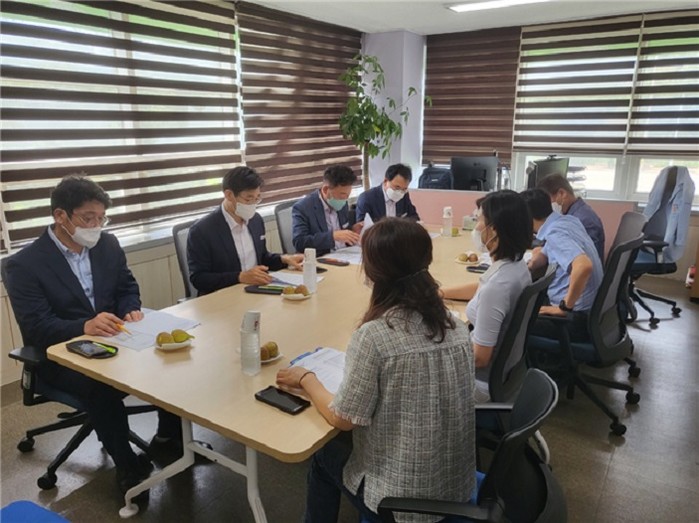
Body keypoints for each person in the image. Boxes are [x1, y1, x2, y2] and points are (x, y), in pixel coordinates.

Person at [277, 218, 476, 522]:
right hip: (455, 487)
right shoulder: (454, 324)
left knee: (323, 455)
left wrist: (306, 378)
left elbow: (342, 419)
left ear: (372, 272)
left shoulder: (375, 336)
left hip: (399, 502)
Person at [3, 175, 180, 501]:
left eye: (101, 218)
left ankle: (169, 438)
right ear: (60, 216)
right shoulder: (24, 265)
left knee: (167, 357)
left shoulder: (107, 244)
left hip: (116, 339)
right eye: (88, 218)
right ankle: (127, 466)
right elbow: (37, 327)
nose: (96, 226)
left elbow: (127, 287)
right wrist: (84, 325)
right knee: (101, 385)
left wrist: (130, 309)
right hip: (62, 355)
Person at [441, 190, 533, 401]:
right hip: (507, 373)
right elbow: (482, 287)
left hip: (479, 383)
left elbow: (479, 358)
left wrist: (438, 355)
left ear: (494, 230)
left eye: (479, 219)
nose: (476, 227)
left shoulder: (498, 287)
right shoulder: (516, 266)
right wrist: (441, 293)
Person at [188, 166, 304, 296]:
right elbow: (199, 278)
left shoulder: (255, 220)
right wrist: (239, 277)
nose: (253, 204)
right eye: (248, 199)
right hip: (223, 296)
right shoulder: (202, 231)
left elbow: (262, 258)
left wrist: (284, 259)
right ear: (229, 195)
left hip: (256, 291)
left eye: (257, 198)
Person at [520, 188, 603, 342]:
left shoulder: (555, 233)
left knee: (511, 321)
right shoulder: (568, 221)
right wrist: (532, 263)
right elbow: (548, 251)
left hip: (574, 319)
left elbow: (583, 266)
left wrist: (564, 308)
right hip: (594, 312)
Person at [291, 165, 362, 255]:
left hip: (345, 254)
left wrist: (352, 230)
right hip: (322, 257)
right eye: (342, 195)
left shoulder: (343, 203)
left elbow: (342, 232)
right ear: (325, 190)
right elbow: (299, 242)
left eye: (347, 195)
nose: (345, 199)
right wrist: (332, 236)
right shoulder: (302, 208)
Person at [536, 174, 605, 262]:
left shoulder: (582, 220)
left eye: (547, 201)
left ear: (562, 194)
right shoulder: (573, 214)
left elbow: (583, 261)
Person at [355, 163, 420, 222]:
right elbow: (362, 226)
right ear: (385, 181)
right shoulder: (367, 198)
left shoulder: (404, 195)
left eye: (404, 189)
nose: (400, 192)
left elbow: (414, 217)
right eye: (397, 187)